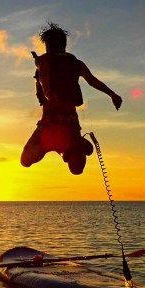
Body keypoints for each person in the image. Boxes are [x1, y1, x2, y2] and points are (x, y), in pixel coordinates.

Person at [20, 22, 122, 175]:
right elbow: (48, 87)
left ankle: (73, 145)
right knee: (25, 160)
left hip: (68, 123)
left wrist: (112, 94)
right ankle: (52, 145)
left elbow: (92, 81)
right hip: (48, 123)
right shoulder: (44, 62)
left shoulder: (70, 63)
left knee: (76, 169)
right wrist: (112, 95)